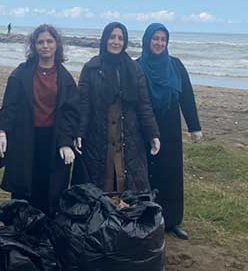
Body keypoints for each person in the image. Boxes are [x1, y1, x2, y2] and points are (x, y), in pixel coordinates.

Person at [0, 24, 79, 215]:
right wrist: (2, 131)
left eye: (49, 41)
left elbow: (70, 113)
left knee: (49, 189)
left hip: (53, 139)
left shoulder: (65, 78)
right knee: (24, 188)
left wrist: (66, 141)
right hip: (24, 137)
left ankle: (45, 225)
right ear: (34, 46)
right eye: (40, 42)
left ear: (57, 45)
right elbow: (10, 105)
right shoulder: (21, 73)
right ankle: (20, 225)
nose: (45, 46)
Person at [73, 22, 161, 193]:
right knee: (98, 187)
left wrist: (153, 134)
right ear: (105, 39)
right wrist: (80, 132)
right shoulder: (91, 68)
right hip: (98, 137)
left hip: (128, 137)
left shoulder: (134, 69)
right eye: (112, 37)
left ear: (125, 42)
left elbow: (144, 105)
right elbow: (84, 104)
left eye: (120, 38)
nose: (116, 42)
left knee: (128, 187)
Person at [137, 23, 202, 240]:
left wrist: (194, 127)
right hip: (145, 128)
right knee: (147, 172)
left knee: (172, 173)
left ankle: (172, 221)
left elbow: (187, 96)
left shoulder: (175, 65)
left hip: (171, 127)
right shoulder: (137, 66)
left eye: (163, 39)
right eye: (155, 38)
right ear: (147, 40)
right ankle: (147, 218)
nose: (159, 43)